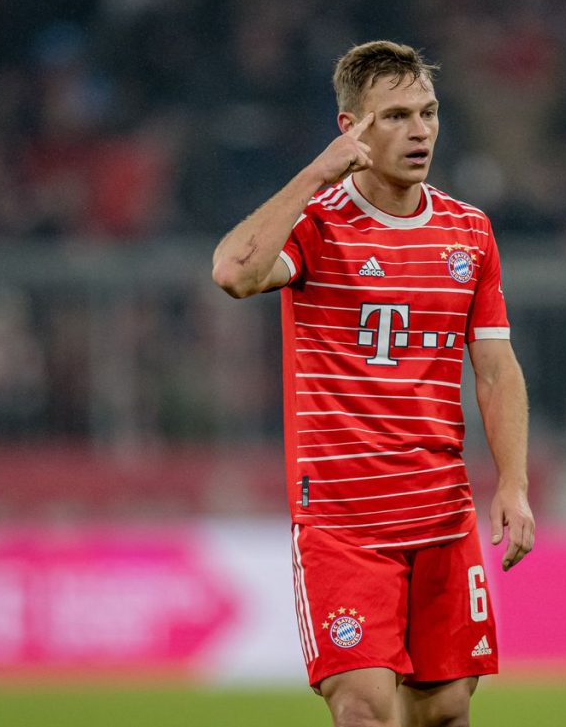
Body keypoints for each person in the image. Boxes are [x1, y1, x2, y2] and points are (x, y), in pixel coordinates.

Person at [212, 40, 534, 727]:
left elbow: (496, 368)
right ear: (351, 127)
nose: (420, 131)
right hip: (344, 526)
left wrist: (512, 483)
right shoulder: (317, 224)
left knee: (445, 712)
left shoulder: (468, 232)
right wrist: (315, 174)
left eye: (428, 112)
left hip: (441, 516)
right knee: (364, 709)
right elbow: (234, 272)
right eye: (395, 116)